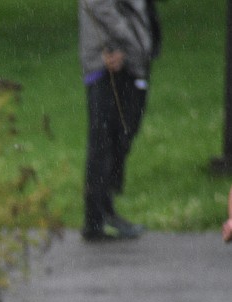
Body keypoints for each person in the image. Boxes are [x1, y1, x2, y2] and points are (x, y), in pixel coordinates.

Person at [78, 0, 161, 241]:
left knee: (119, 138)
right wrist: (131, 43)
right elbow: (99, 5)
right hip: (110, 64)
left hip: (127, 61)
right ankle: (95, 220)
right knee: (105, 141)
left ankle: (105, 212)